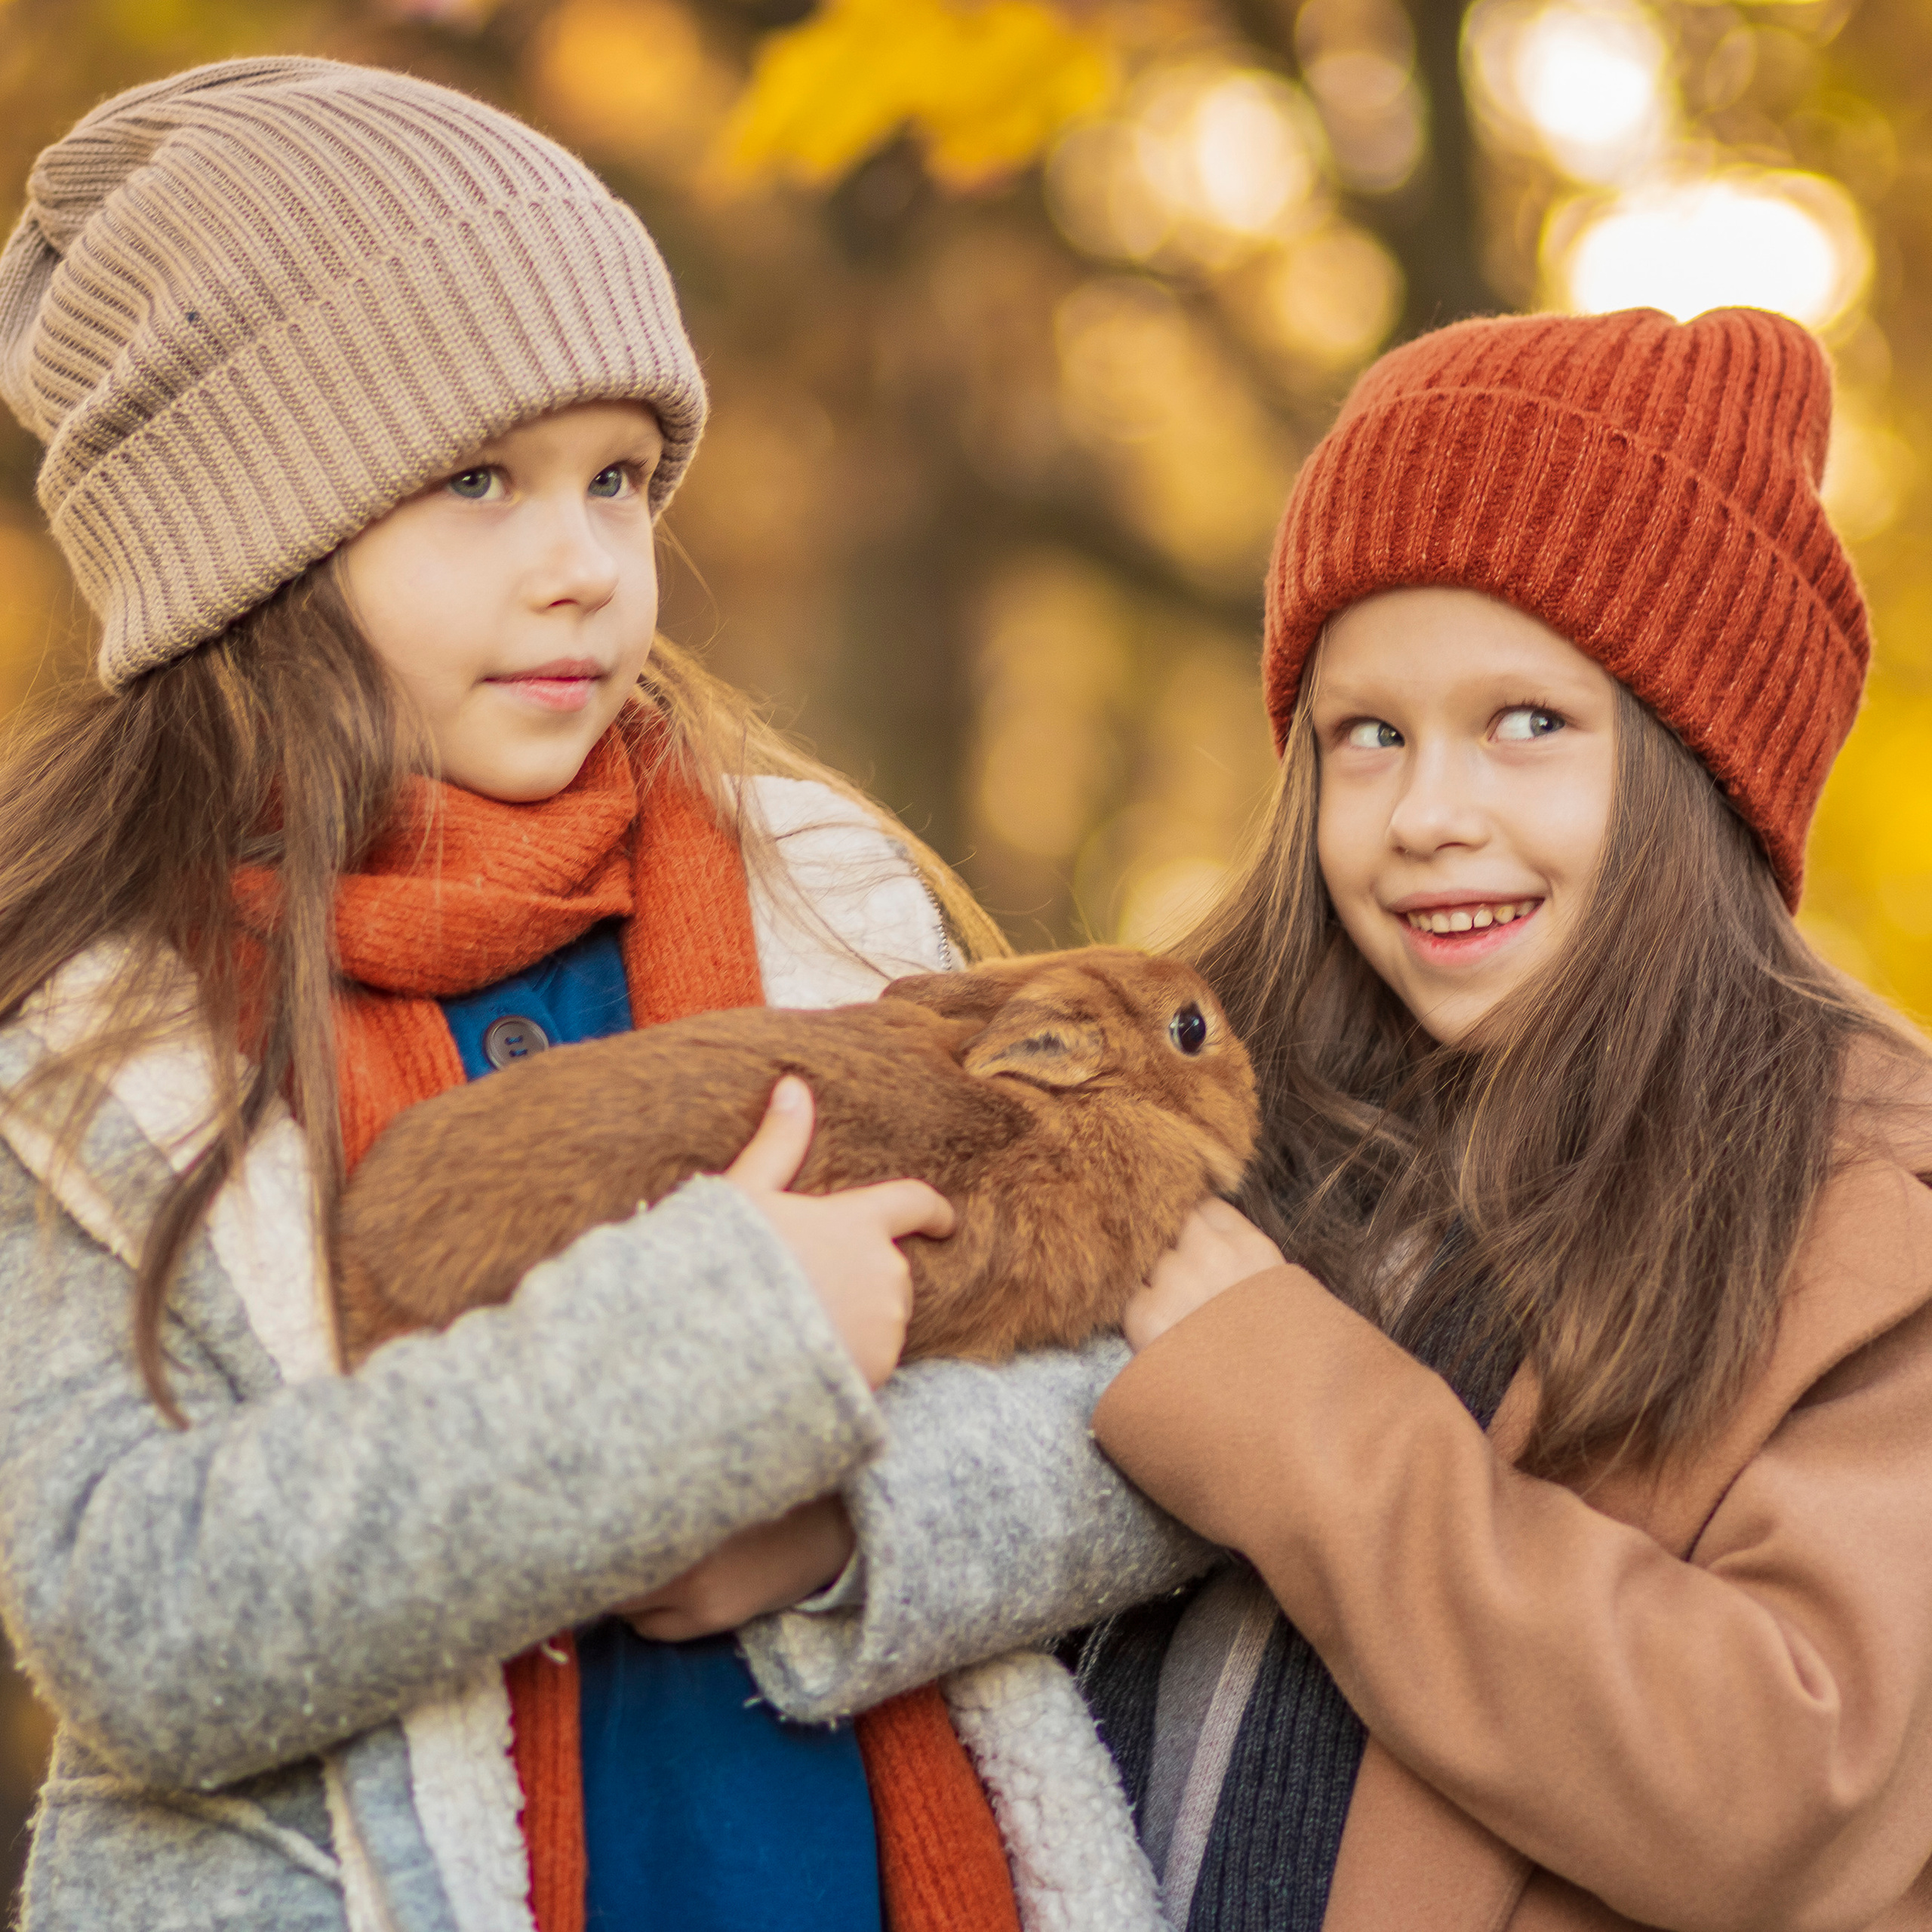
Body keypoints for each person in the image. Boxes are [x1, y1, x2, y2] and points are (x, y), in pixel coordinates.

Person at [0, 58, 1202, 1932]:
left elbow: (1144, 1412)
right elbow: (137, 1619)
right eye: (477, 480)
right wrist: (700, 1362)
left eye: (618, 479)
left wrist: (844, 1527)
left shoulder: (818, 896)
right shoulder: (107, 1037)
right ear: (252, 544)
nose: (581, 566)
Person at [1075, 306, 1932, 1930]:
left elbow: (1783, 1792)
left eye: (1527, 723)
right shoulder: (1224, 1118)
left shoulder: (1866, 1204)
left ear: (1702, 769)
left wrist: (1293, 1411)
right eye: (1368, 735)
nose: (1428, 812)